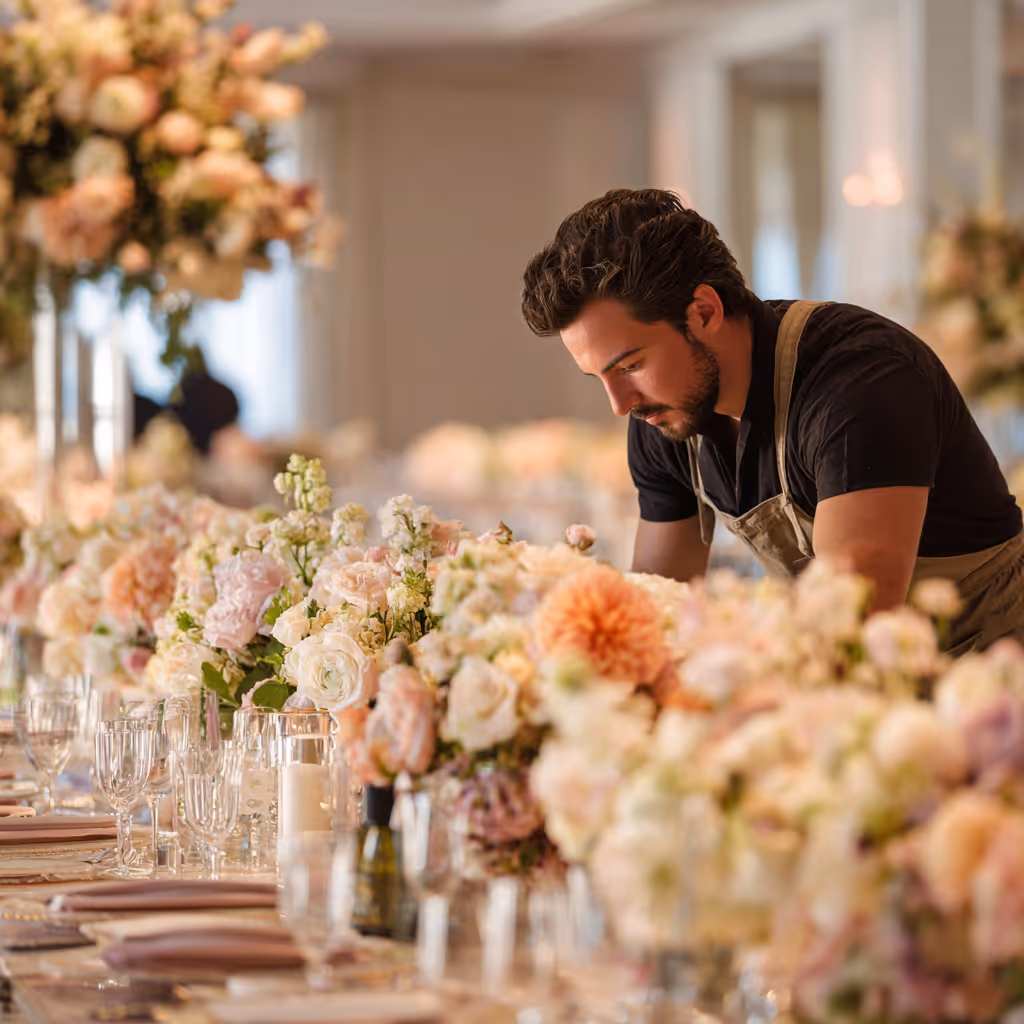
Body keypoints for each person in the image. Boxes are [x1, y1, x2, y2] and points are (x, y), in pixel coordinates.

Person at [521, 188, 1024, 654]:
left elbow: (852, 624)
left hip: (992, 673)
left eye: (630, 365)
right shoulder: (667, 416)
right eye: (600, 377)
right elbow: (656, 612)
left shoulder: (861, 383)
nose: (619, 403)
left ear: (703, 312)